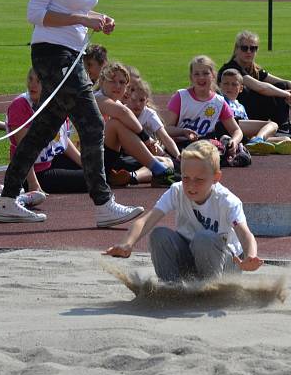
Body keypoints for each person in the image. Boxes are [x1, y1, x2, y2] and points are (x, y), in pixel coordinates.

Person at [0, 0, 143, 227]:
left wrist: (97, 19)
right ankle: (103, 203)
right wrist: (80, 18)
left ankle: (7, 199)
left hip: (73, 53)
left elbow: (77, 7)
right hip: (51, 53)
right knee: (91, 124)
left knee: (44, 129)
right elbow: (35, 13)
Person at [104, 140, 263, 282]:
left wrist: (251, 256)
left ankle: (210, 290)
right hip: (191, 255)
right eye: (186, 178)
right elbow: (146, 220)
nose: (191, 186)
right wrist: (127, 243)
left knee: (204, 238)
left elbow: (244, 233)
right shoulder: (177, 191)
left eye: (199, 180)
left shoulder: (227, 200)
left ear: (216, 178)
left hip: (227, 262)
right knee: (159, 235)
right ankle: (171, 289)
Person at [7, 68, 130, 193]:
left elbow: (63, 140)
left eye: (39, 81)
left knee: (95, 174)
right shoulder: (21, 105)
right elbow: (24, 151)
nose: (32, 85)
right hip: (32, 173)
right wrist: (33, 184)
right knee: (92, 181)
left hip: (52, 162)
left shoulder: (56, 102)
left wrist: (85, 165)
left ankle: (112, 175)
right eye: (30, 79)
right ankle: (112, 177)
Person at [95, 62, 178, 187]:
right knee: (116, 124)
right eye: (112, 81)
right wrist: (146, 138)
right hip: (91, 155)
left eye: (122, 82)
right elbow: (123, 112)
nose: (117, 86)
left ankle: (135, 176)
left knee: (168, 162)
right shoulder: (97, 98)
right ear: (101, 82)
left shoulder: (117, 102)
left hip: (110, 155)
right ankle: (160, 171)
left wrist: (170, 155)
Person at [218, 30, 291, 140]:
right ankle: (281, 128)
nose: (249, 51)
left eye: (253, 48)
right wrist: (287, 95)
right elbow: (261, 87)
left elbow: (286, 83)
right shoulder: (232, 69)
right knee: (253, 90)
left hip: (249, 112)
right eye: (245, 48)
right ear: (236, 49)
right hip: (235, 115)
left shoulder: (254, 68)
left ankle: (279, 130)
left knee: (281, 85)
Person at [164, 55, 244, 166]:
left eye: (206, 73)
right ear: (191, 77)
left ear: (213, 75)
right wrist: (183, 132)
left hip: (206, 145)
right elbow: (166, 129)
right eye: (197, 74)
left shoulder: (219, 102)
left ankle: (232, 150)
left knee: (213, 149)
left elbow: (237, 130)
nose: (201, 77)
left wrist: (234, 142)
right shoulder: (181, 97)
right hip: (181, 145)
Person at [219, 68, 291, 156]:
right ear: (220, 85)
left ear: (241, 88)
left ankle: (258, 145)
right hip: (233, 127)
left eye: (234, 84)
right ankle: (258, 141)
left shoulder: (240, 106)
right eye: (226, 84)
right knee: (273, 125)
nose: (229, 87)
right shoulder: (220, 100)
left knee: (286, 139)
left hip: (244, 135)